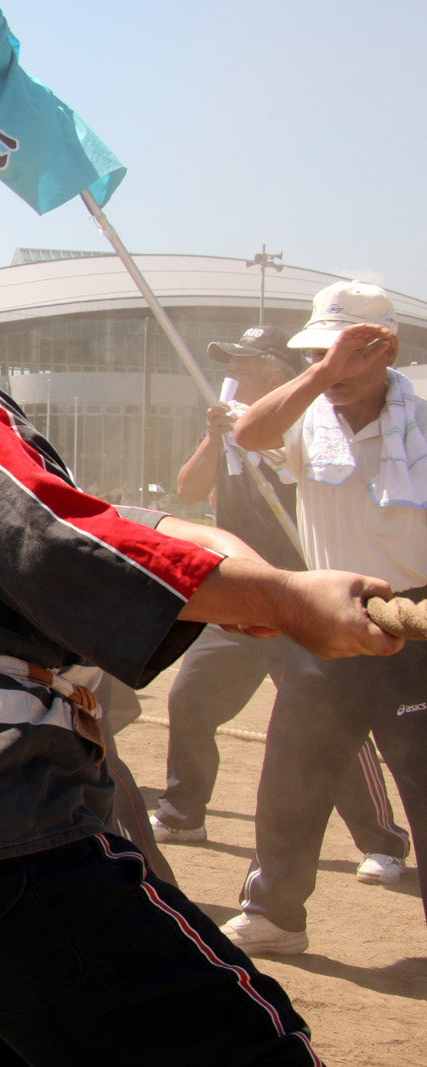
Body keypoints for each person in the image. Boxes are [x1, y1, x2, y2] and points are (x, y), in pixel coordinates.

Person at [0, 264, 400, 1064]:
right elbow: (64, 538)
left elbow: (119, 523)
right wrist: (289, 598)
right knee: (250, 1041)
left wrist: (240, 580)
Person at [155, 325, 409, 883]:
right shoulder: (233, 425)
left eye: (247, 366)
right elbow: (190, 490)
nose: (236, 376)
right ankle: (183, 813)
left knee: (322, 722)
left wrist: (252, 436)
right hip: (242, 596)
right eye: (233, 366)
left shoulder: (308, 423)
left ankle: (382, 841)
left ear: (277, 372)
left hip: (299, 593)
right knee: (191, 699)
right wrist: (213, 439)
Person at [222, 281, 427, 955]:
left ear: (387, 351)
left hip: (416, 621)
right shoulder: (308, 417)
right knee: (294, 770)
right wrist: (321, 370)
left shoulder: (423, 417)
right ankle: (276, 910)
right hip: (329, 616)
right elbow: (250, 431)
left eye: (350, 354)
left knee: (425, 777)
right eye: (320, 351)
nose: (335, 370)